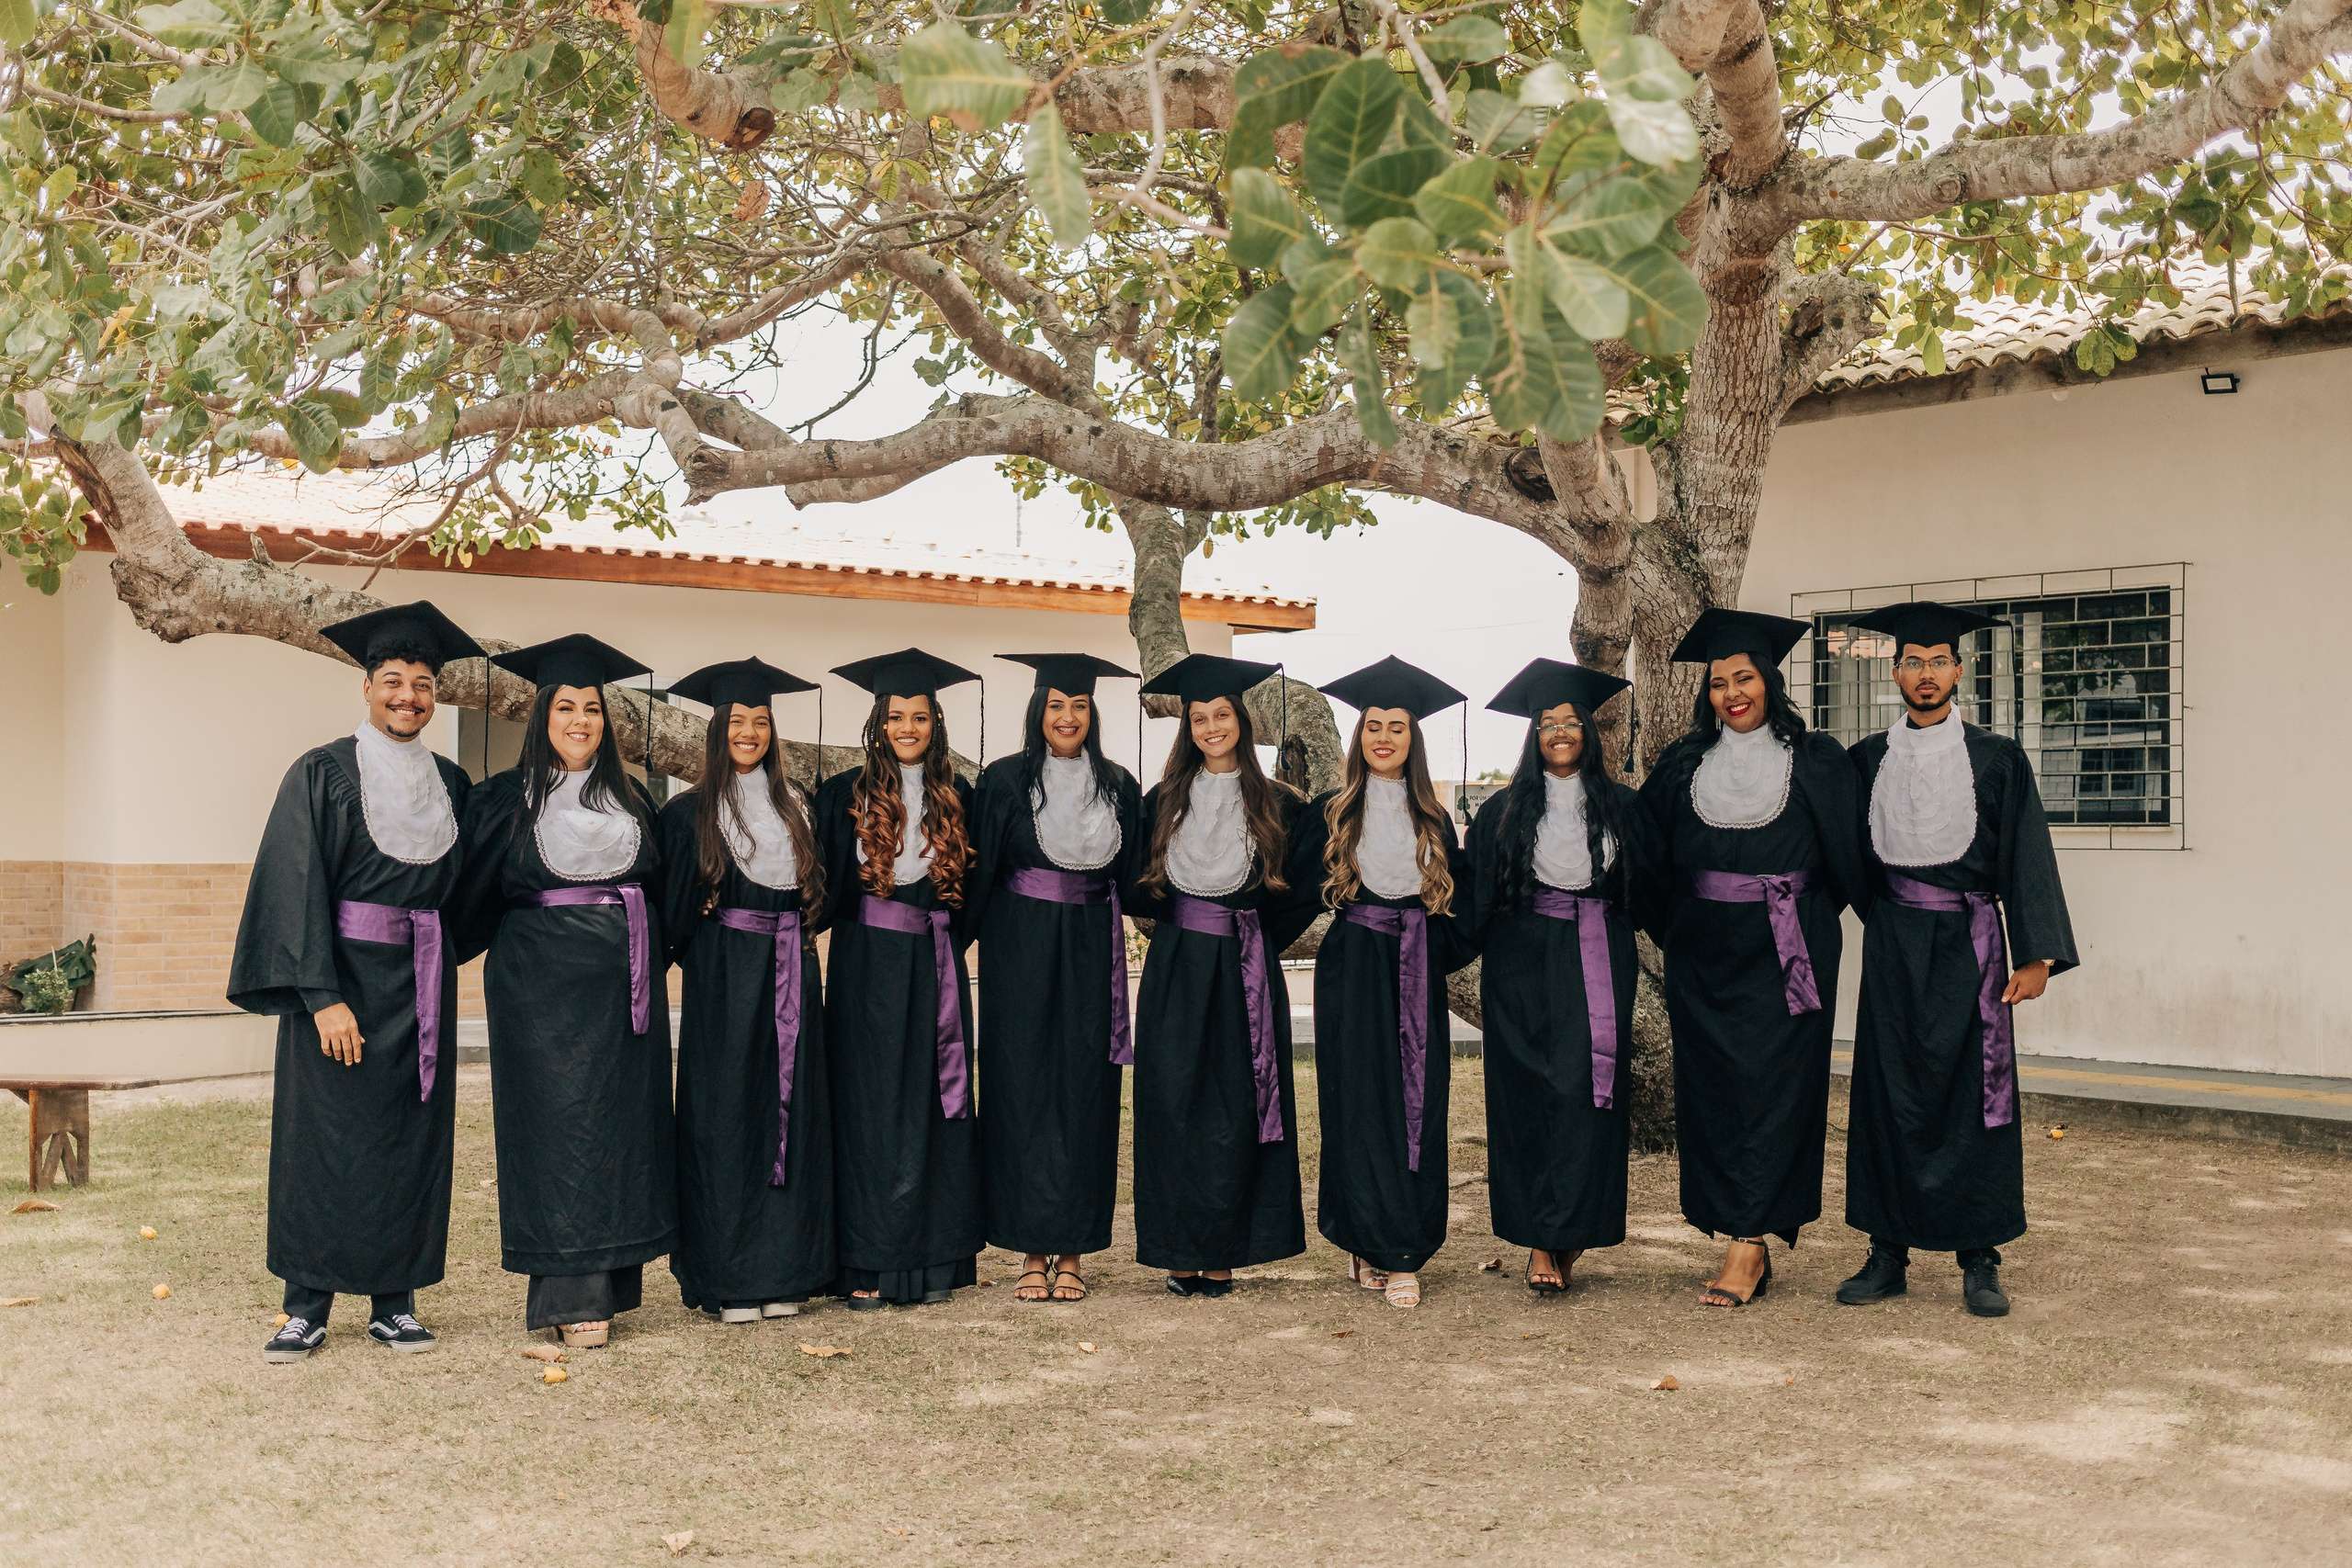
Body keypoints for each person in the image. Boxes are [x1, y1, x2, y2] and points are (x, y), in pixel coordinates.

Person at [232, 603, 481, 1363]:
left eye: (423, 684)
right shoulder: (324, 771)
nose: (408, 696)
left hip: (421, 987)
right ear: (367, 686)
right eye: (394, 681)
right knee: (324, 1140)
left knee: (409, 1138)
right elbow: (293, 880)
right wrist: (321, 996)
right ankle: (305, 1306)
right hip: (340, 985)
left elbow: (464, 894)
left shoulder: (452, 781)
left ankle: (394, 1303)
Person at [1836, 603, 2079, 1318]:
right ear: (1895, 671)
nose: (1926, 674)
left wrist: (2036, 953)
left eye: (1939, 661)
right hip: (1892, 946)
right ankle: (1887, 1251)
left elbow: (2027, 854)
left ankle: (1980, 1256)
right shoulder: (1866, 761)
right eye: (1913, 661)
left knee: (1979, 1095)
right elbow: (1845, 855)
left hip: (1972, 943)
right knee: (1887, 1091)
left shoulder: (1997, 759)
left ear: (1959, 670)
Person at [1639, 609, 1871, 1308]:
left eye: (1744, 677)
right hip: (1704, 959)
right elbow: (1647, 857)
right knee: (1713, 1094)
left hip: (1788, 954)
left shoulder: (1818, 759)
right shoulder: (1683, 764)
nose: (1732, 693)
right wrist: (1680, 926)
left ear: (1769, 680)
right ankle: (1733, 1230)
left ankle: (1751, 1242)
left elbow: (1846, 863)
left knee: (1779, 1091)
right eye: (1717, 683)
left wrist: (1797, 917)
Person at [452, 634, 673, 1348]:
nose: (581, 720)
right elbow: (469, 899)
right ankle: (567, 1293)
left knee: (618, 1131)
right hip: (538, 1000)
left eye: (593, 709)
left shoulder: (631, 798)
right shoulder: (503, 801)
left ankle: (609, 1285)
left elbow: (658, 891)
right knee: (556, 1134)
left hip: (624, 997)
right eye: (567, 706)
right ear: (542, 712)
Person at [1465, 658, 1662, 1298]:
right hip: (1520, 964)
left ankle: (1572, 1230)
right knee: (1526, 1094)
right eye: (1546, 722)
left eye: (1569, 720)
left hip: (1599, 956)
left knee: (1587, 1094)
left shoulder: (1624, 807)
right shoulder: (1499, 812)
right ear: (1533, 734)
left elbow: (1654, 896)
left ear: (1588, 729)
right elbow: (1473, 904)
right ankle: (1538, 1236)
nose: (1558, 731)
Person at [1125, 653, 1317, 1298]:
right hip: (1177, 963)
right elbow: (1135, 886)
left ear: (1242, 719)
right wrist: (1180, 930)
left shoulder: (1279, 804)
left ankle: (1224, 1252)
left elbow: (1302, 891)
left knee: (1236, 1107)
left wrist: (1256, 937)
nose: (1212, 726)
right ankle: (1181, 1250)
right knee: (1173, 1101)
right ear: (1188, 725)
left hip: (1245, 966)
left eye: (1223, 715)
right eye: (1200, 717)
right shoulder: (1160, 801)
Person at [1288, 657, 1476, 1310]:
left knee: (1414, 1107)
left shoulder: (1435, 818)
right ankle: (1363, 1240)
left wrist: (1432, 953)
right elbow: (1284, 893)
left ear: (1413, 739)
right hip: (1351, 968)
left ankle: (1401, 1248)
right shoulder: (1331, 812)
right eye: (1374, 726)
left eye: (1397, 726)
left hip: (1415, 967)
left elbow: (1464, 909)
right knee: (1355, 1104)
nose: (1385, 737)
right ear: (1359, 736)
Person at [659, 657, 834, 1325]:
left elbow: (820, 898)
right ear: (717, 730)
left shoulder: (799, 811)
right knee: (725, 1117)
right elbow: (672, 916)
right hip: (724, 984)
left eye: (761, 721)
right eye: (738, 721)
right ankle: (729, 1275)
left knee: (792, 1113)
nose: (750, 731)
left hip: (793, 972)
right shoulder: (689, 814)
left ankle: (786, 1269)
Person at [969, 653, 1146, 1306]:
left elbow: (1135, 879)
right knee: (1021, 1089)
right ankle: (1029, 1250)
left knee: (1086, 1092)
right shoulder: (1004, 782)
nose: (1067, 716)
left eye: (1078, 706)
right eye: (1055, 705)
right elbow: (980, 876)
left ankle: (1072, 1251)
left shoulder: (1120, 786)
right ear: (1038, 711)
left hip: (1092, 953)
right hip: (1019, 953)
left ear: (1092, 714)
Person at [815, 648, 983, 1311]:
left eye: (919, 716)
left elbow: (974, 895)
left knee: (935, 1108)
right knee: (867, 1106)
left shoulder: (960, 797)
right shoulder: (841, 796)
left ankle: (934, 1257)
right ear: (878, 723)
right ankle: (866, 1257)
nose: (906, 727)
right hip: (864, 967)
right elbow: (824, 889)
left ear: (935, 723)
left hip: (936, 963)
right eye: (895, 717)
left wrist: (937, 940)